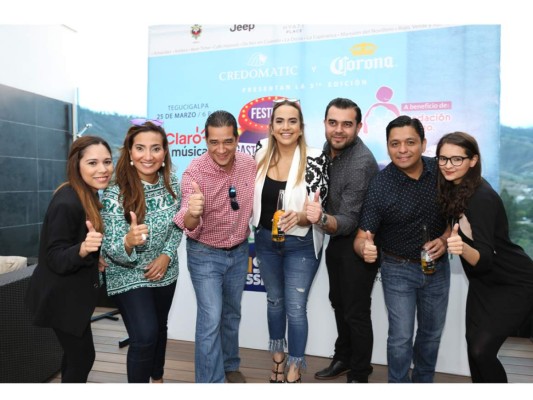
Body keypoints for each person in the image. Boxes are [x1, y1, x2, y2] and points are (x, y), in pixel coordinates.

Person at [354, 115, 450, 383]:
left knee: (431, 334)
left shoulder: (441, 173)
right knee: (400, 338)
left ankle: (423, 383)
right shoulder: (380, 185)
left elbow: (457, 218)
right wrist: (365, 248)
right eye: (395, 143)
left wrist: (444, 239)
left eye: (410, 142)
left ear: (423, 143)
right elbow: (362, 236)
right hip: (397, 270)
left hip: (437, 267)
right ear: (387, 146)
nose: (402, 149)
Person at [436, 131, 533, 383]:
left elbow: (485, 258)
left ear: (473, 160)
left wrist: (460, 246)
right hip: (483, 284)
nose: (448, 165)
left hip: (513, 282)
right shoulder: (455, 189)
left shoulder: (481, 197)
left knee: (482, 350)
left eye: (457, 159)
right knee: (474, 350)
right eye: (443, 159)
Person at [173, 110, 256, 383]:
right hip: (205, 253)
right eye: (214, 142)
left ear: (237, 138)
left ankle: (230, 365)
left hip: (240, 249)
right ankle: (210, 384)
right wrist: (194, 212)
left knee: (232, 313)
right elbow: (186, 218)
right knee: (211, 319)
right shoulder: (194, 172)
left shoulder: (249, 164)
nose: (221, 149)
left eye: (228, 142)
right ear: (204, 140)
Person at [25, 136, 113, 383]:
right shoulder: (68, 201)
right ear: (77, 165)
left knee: (77, 357)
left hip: (70, 297)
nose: (102, 169)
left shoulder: (84, 194)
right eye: (93, 163)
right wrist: (84, 250)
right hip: (60, 298)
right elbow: (54, 257)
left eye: (107, 162)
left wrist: (93, 257)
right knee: (82, 357)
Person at [252, 99, 328, 383]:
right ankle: (277, 359)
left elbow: (319, 210)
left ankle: (294, 367)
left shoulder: (316, 158)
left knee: (295, 307)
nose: (286, 127)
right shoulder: (260, 152)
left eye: (292, 121)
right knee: (274, 301)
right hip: (264, 240)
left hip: (301, 244)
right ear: (271, 127)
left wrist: (301, 217)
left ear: (301, 127)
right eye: (279, 121)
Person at [100, 119, 182, 383]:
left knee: (159, 328)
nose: (148, 156)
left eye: (155, 148)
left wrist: (166, 255)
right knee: (144, 335)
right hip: (127, 273)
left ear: (165, 151)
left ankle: (156, 379)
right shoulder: (115, 191)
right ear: (130, 152)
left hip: (164, 270)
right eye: (141, 148)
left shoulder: (172, 181)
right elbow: (110, 246)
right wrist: (128, 241)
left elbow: (179, 224)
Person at [311, 98, 380, 383]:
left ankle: (360, 374)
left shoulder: (360, 164)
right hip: (336, 241)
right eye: (333, 123)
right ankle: (344, 356)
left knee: (356, 311)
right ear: (325, 123)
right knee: (339, 302)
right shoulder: (325, 151)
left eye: (347, 124)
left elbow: (350, 219)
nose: (339, 130)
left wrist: (320, 219)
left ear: (359, 127)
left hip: (359, 242)